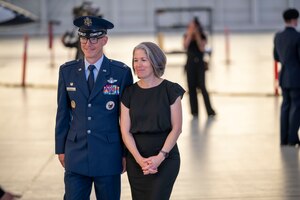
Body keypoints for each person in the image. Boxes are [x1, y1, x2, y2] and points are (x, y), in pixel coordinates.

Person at [55, 16, 133, 200]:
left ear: (104, 40)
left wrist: (125, 153)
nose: (88, 44)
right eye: (83, 38)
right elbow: (62, 113)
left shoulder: (120, 73)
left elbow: (126, 118)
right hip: (75, 153)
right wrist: (60, 148)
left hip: (108, 154)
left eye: (94, 39)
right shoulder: (67, 71)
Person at [120, 42, 185, 200]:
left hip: (165, 159)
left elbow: (177, 128)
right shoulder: (128, 93)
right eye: (135, 60)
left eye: (144, 60)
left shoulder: (171, 90)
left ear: (155, 62)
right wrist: (139, 160)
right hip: (137, 162)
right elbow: (125, 131)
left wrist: (159, 158)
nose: (138, 64)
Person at [273, 8, 300, 147]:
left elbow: (276, 57)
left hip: (283, 76)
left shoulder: (278, 36)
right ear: (294, 20)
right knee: (296, 107)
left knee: (285, 107)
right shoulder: (298, 37)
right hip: (296, 78)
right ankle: (292, 139)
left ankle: (283, 139)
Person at [183, 17, 216, 118]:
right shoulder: (186, 35)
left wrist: (197, 35)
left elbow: (202, 48)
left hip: (200, 65)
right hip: (190, 64)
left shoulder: (202, 36)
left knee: (203, 87)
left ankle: (209, 111)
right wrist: (189, 33)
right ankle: (194, 111)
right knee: (191, 88)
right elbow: (185, 46)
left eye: (194, 26)